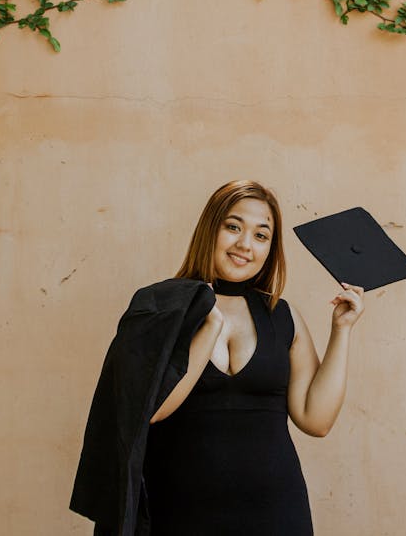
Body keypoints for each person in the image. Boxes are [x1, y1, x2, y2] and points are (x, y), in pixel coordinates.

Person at [142, 180, 365, 535]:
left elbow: (316, 420)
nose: (245, 245)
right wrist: (208, 323)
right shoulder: (161, 306)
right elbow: (150, 409)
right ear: (209, 230)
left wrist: (342, 330)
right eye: (233, 227)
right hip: (177, 510)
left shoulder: (283, 316)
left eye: (261, 236)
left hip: (275, 512)